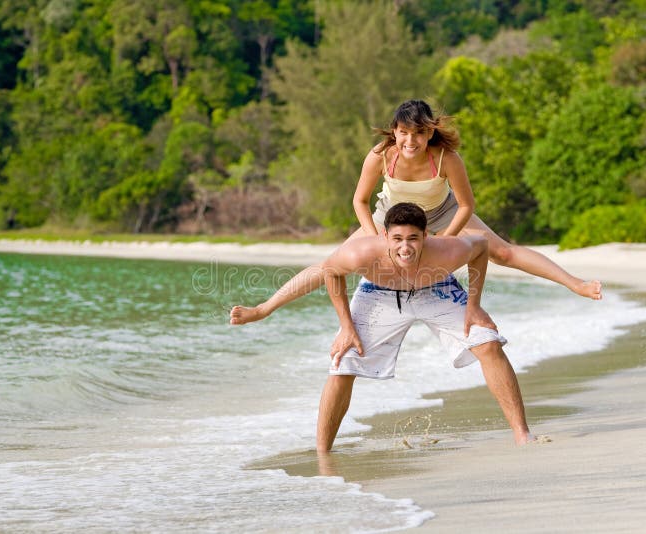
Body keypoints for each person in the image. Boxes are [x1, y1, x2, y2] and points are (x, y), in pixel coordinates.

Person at [230, 99, 600, 326]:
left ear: (429, 133)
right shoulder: (380, 155)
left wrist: (447, 237)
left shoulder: (445, 157)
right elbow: (359, 200)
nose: (411, 141)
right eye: (404, 133)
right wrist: (376, 237)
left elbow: (468, 204)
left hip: (442, 213)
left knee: (501, 251)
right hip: (391, 216)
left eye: (419, 133)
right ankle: (264, 308)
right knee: (333, 263)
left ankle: (576, 284)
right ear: (394, 131)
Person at [316, 202, 533, 451]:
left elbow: (482, 246)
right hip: (379, 293)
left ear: (425, 236)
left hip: (437, 287)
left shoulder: (447, 250)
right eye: (397, 238)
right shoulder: (359, 252)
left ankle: (522, 434)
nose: (405, 247)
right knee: (343, 361)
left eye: (413, 239)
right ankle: (323, 453)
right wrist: (346, 327)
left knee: (488, 343)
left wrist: (474, 306)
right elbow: (330, 270)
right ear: (384, 236)